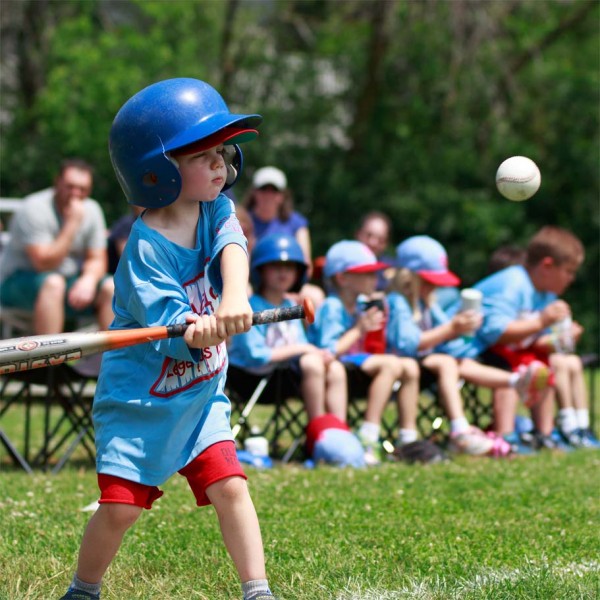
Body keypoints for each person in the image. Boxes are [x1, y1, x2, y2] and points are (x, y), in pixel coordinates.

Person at [60, 78, 277, 600]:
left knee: (230, 485)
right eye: (202, 156)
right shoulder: (144, 251)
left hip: (201, 398)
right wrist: (195, 332)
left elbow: (233, 248)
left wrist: (234, 298)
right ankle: (83, 590)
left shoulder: (215, 210)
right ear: (154, 171)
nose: (220, 165)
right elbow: (171, 325)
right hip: (140, 403)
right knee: (119, 510)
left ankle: (257, 590)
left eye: (221, 153)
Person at [387, 236, 549, 456]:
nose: (433, 286)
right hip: (401, 363)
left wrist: (466, 328)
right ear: (408, 278)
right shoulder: (398, 302)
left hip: (429, 361)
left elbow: (446, 331)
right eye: (428, 281)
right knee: (447, 363)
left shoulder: (426, 303)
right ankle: (460, 429)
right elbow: (408, 344)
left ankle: (517, 381)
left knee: (460, 362)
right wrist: (452, 329)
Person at [458, 226, 599, 451]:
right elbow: (496, 333)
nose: (571, 279)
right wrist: (541, 321)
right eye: (569, 271)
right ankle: (507, 437)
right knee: (516, 368)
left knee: (543, 363)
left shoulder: (545, 292)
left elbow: (535, 341)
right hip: (468, 349)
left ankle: (544, 434)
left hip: (502, 351)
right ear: (547, 266)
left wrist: (562, 339)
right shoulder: (513, 284)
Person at [228, 233, 359, 466]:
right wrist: (305, 348)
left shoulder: (290, 305)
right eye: (275, 266)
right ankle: (317, 436)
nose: (284, 272)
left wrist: (315, 352)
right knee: (310, 361)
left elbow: (302, 347)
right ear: (260, 270)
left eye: (290, 267)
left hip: (284, 378)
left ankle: (337, 436)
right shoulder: (250, 305)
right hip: (249, 379)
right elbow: (256, 355)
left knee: (335, 367)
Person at [310, 240, 437, 465]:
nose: (374, 279)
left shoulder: (360, 304)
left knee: (409, 366)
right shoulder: (332, 306)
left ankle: (408, 438)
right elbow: (328, 351)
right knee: (390, 364)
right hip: (340, 367)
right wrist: (359, 329)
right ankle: (368, 435)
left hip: (359, 364)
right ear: (343, 278)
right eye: (366, 274)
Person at [0, 159, 114, 334]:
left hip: (66, 283)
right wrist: (72, 225)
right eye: (70, 186)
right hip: (19, 283)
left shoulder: (92, 209)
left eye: (82, 189)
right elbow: (43, 264)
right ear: (57, 182)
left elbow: (97, 258)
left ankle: (114, 359)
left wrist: (89, 281)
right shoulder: (34, 208)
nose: (76, 194)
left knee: (110, 286)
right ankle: (50, 359)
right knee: (54, 283)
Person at [243, 165, 324, 307]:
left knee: (315, 296)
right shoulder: (242, 220)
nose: (268, 195)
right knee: (243, 294)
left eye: (274, 190)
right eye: (263, 189)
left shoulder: (296, 223)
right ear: (254, 192)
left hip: (289, 285)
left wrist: (290, 289)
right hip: (253, 284)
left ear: (282, 196)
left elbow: (306, 265)